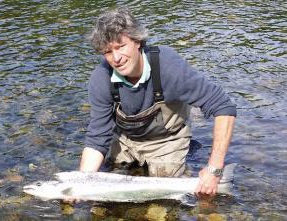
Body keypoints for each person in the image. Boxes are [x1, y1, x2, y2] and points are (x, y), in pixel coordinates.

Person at [80, 7, 236, 196]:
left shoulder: (168, 67)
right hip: (124, 140)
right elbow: (97, 136)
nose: (117, 58)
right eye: (108, 52)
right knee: (106, 184)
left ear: (137, 41)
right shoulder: (101, 78)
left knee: (164, 197)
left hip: (167, 141)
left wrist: (214, 169)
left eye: (121, 46)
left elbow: (223, 106)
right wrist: (81, 183)